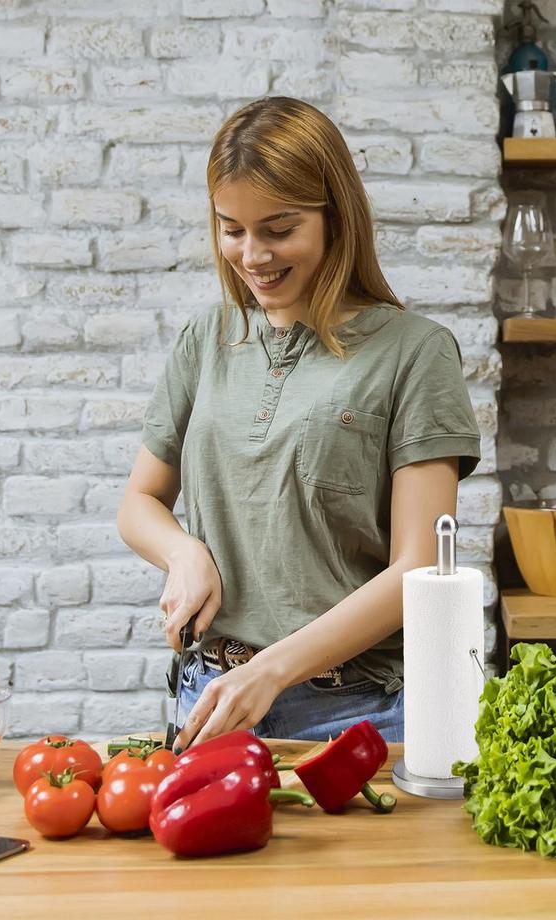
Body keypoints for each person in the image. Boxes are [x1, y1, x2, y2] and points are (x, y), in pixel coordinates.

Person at [116, 96, 481, 752]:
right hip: (211, 699)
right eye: (232, 228)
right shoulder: (208, 338)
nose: (251, 255)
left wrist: (272, 670)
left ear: (335, 219)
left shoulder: (416, 352)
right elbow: (140, 502)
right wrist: (183, 552)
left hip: (357, 713)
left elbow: (420, 567)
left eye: (278, 229)